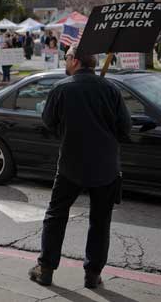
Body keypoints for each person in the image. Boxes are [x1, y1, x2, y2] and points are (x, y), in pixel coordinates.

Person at [29, 43, 131, 290]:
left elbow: (48, 122)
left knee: (56, 215)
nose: (65, 61)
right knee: (100, 221)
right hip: (105, 166)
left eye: (66, 57)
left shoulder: (62, 89)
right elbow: (124, 129)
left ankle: (46, 269)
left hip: (71, 164)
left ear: (75, 60)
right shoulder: (111, 89)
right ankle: (93, 274)